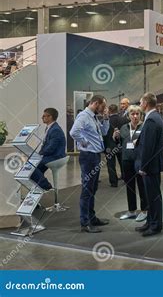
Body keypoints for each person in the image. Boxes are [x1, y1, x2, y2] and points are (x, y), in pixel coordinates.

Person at [70, 95, 110, 233]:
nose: (104, 109)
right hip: (88, 156)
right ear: (95, 103)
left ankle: (92, 218)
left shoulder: (93, 117)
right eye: (103, 106)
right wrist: (84, 142)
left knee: (93, 189)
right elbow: (73, 132)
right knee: (87, 190)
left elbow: (104, 132)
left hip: (95, 156)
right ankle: (85, 223)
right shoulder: (83, 116)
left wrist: (106, 118)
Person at [134, 92, 163, 237]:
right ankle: (150, 222)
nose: (140, 105)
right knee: (151, 196)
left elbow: (149, 147)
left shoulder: (152, 120)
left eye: (141, 102)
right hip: (153, 165)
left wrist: (143, 167)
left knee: (153, 197)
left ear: (146, 103)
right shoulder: (154, 117)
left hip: (150, 166)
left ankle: (155, 226)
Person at [113, 105, 148, 222]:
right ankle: (132, 211)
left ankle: (144, 211)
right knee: (130, 187)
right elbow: (121, 143)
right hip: (126, 160)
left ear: (140, 115)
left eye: (137, 114)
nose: (135, 116)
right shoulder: (124, 127)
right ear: (128, 116)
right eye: (132, 114)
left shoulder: (144, 126)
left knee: (142, 186)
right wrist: (116, 137)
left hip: (139, 161)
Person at [30, 108, 66, 191]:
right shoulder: (50, 128)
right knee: (34, 168)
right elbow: (46, 146)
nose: (42, 118)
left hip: (56, 157)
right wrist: (38, 154)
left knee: (31, 167)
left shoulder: (55, 129)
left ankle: (46, 186)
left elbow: (51, 148)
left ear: (50, 117)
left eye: (44, 116)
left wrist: (39, 155)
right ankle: (37, 190)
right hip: (50, 155)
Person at [103, 104, 127, 187]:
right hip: (121, 145)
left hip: (109, 146)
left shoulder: (106, 121)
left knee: (111, 165)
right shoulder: (124, 120)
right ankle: (126, 178)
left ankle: (114, 182)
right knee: (122, 163)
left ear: (109, 111)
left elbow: (104, 134)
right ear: (117, 110)